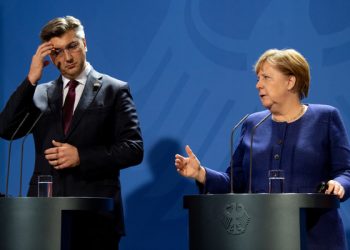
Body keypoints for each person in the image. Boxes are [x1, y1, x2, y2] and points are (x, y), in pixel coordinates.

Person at [175, 48, 350, 249]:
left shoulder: (325, 118)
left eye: (266, 77)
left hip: (314, 237)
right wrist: (201, 174)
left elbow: (346, 171)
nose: (259, 85)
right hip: (260, 237)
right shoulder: (251, 123)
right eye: (258, 78)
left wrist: (339, 184)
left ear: (290, 82)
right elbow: (235, 182)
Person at [0, 16, 143, 249]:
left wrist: (81, 157)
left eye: (72, 46)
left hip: (95, 216)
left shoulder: (114, 90)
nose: (66, 58)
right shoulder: (39, 93)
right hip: (43, 216)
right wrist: (31, 80)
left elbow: (134, 149)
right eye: (56, 52)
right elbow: (6, 129)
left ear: (84, 43)